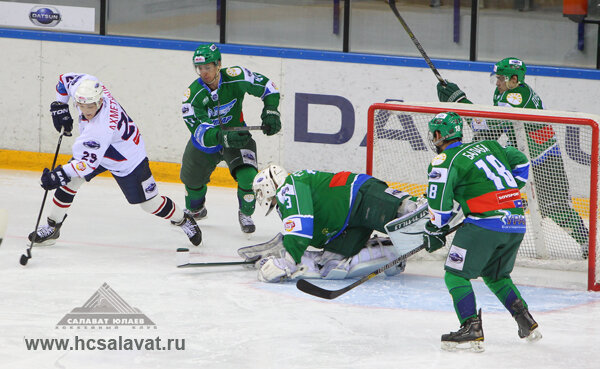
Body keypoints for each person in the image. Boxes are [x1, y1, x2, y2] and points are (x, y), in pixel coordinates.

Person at [436, 57, 589, 258]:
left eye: (501, 78)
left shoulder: (517, 97)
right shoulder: (503, 93)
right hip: (517, 156)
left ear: (515, 79)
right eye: (496, 78)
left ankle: (586, 241)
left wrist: (460, 102)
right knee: (483, 188)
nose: (497, 83)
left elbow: (490, 125)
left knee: (555, 207)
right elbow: (492, 130)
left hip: (543, 158)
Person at [28, 73, 202, 247]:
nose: (87, 112)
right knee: (70, 182)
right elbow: (64, 80)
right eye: (81, 106)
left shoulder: (100, 129)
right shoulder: (90, 87)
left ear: (100, 101)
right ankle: (53, 227)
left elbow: (86, 164)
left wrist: (58, 174)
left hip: (127, 159)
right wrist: (60, 105)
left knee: (149, 204)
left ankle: (183, 219)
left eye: (91, 106)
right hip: (101, 149)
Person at [422, 112, 541, 352]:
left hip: (486, 224)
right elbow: (520, 160)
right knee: (495, 276)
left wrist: (435, 228)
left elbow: (440, 207)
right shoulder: (488, 145)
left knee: (455, 274)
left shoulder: (444, 160)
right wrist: (508, 192)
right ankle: (526, 322)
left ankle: (471, 328)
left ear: (438, 135)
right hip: (516, 223)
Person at [247, 165, 425, 283]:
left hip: (360, 196)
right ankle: (390, 252)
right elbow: (307, 231)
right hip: (345, 228)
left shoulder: (290, 185)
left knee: (406, 211)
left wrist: (287, 261)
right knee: (332, 266)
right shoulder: (287, 199)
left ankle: (428, 207)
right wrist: (283, 249)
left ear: (268, 186)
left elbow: (301, 228)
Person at [180, 43, 281, 234]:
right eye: (200, 68)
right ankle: (197, 210)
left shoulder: (237, 76)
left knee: (248, 177)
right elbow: (200, 132)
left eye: (208, 67)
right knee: (192, 180)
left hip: (237, 136)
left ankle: (245, 213)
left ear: (219, 64)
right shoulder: (192, 96)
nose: (204, 73)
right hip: (208, 142)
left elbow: (268, 87)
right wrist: (221, 137)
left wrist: (271, 111)